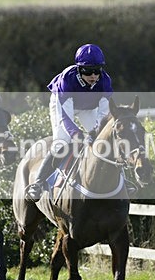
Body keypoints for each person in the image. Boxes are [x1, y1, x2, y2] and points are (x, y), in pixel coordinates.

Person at [25, 43, 113, 202]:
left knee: (102, 138)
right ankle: (37, 183)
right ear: (79, 69)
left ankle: (122, 180)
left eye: (97, 70)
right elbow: (65, 117)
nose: (93, 75)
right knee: (62, 142)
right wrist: (78, 135)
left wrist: (93, 133)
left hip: (88, 108)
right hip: (63, 105)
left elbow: (103, 113)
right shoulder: (68, 79)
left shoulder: (105, 81)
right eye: (88, 71)